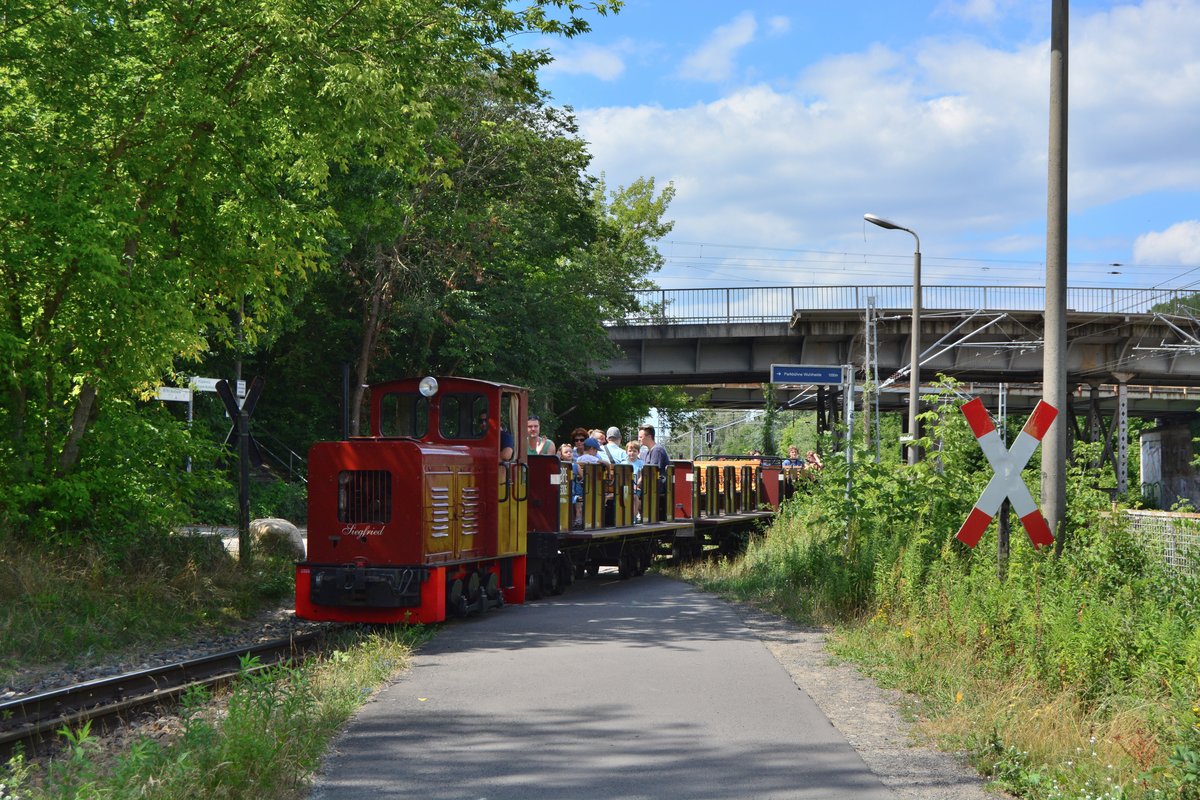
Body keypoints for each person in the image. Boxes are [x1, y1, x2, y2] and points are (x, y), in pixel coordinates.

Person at [573, 437, 604, 527]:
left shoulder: (579, 459)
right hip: (590, 487)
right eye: (596, 451)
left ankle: (579, 518)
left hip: (580, 487)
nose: (596, 453)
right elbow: (606, 464)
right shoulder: (592, 459)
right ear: (591, 449)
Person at [626, 441, 644, 522]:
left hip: (636, 487)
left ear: (638, 452)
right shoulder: (624, 463)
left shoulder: (640, 463)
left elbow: (641, 477)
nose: (632, 453)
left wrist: (636, 485)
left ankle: (634, 516)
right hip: (626, 488)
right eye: (630, 451)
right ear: (626, 452)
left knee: (635, 497)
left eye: (634, 451)